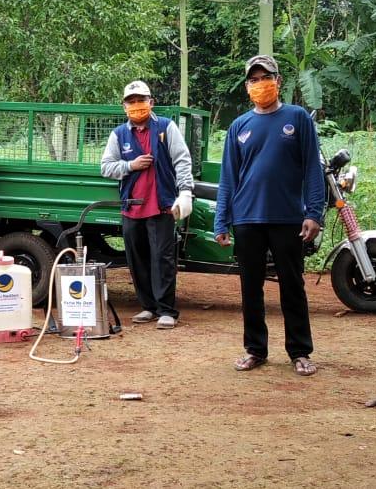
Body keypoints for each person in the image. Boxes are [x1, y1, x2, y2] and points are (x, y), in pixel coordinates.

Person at [214, 55, 326, 376]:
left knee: (292, 284)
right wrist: (222, 220)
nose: (260, 84)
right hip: (247, 218)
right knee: (251, 287)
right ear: (247, 86)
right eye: (254, 79)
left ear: (278, 81)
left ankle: (300, 351)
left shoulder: (298, 118)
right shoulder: (239, 126)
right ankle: (255, 349)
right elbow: (229, 178)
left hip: (288, 217)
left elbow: (312, 170)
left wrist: (314, 212)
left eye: (266, 77)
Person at [99, 80, 195, 329]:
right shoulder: (119, 134)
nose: (136, 105)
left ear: (151, 102)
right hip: (132, 207)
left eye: (141, 100)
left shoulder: (165, 127)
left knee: (162, 258)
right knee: (137, 258)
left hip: (161, 205)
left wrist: (185, 191)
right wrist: (130, 165)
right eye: (131, 101)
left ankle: (166, 310)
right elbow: (106, 167)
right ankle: (148, 307)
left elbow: (182, 160)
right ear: (124, 106)